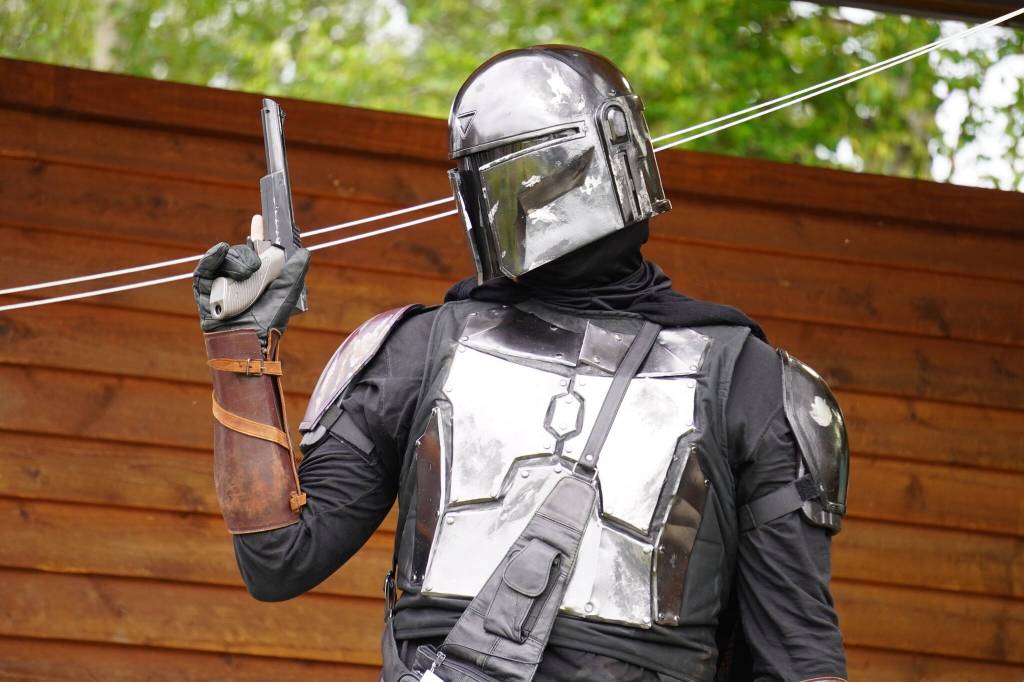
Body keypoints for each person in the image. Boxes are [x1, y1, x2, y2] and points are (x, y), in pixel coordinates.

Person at [193, 45, 849, 682]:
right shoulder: (421, 350)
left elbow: (798, 657)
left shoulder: (747, 380)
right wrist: (239, 343)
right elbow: (278, 561)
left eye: (518, 173)